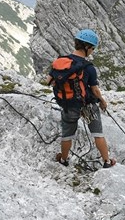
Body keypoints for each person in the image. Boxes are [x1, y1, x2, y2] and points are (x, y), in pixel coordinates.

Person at [46, 29, 116, 169]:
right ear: (87, 47)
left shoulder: (61, 61)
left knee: (67, 135)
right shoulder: (88, 67)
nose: (92, 51)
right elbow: (95, 89)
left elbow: (49, 81)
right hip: (88, 105)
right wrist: (102, 101)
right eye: (92, 48)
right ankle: (107, 161)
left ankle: (64, 159)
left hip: (68, 104)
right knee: (97, 133)